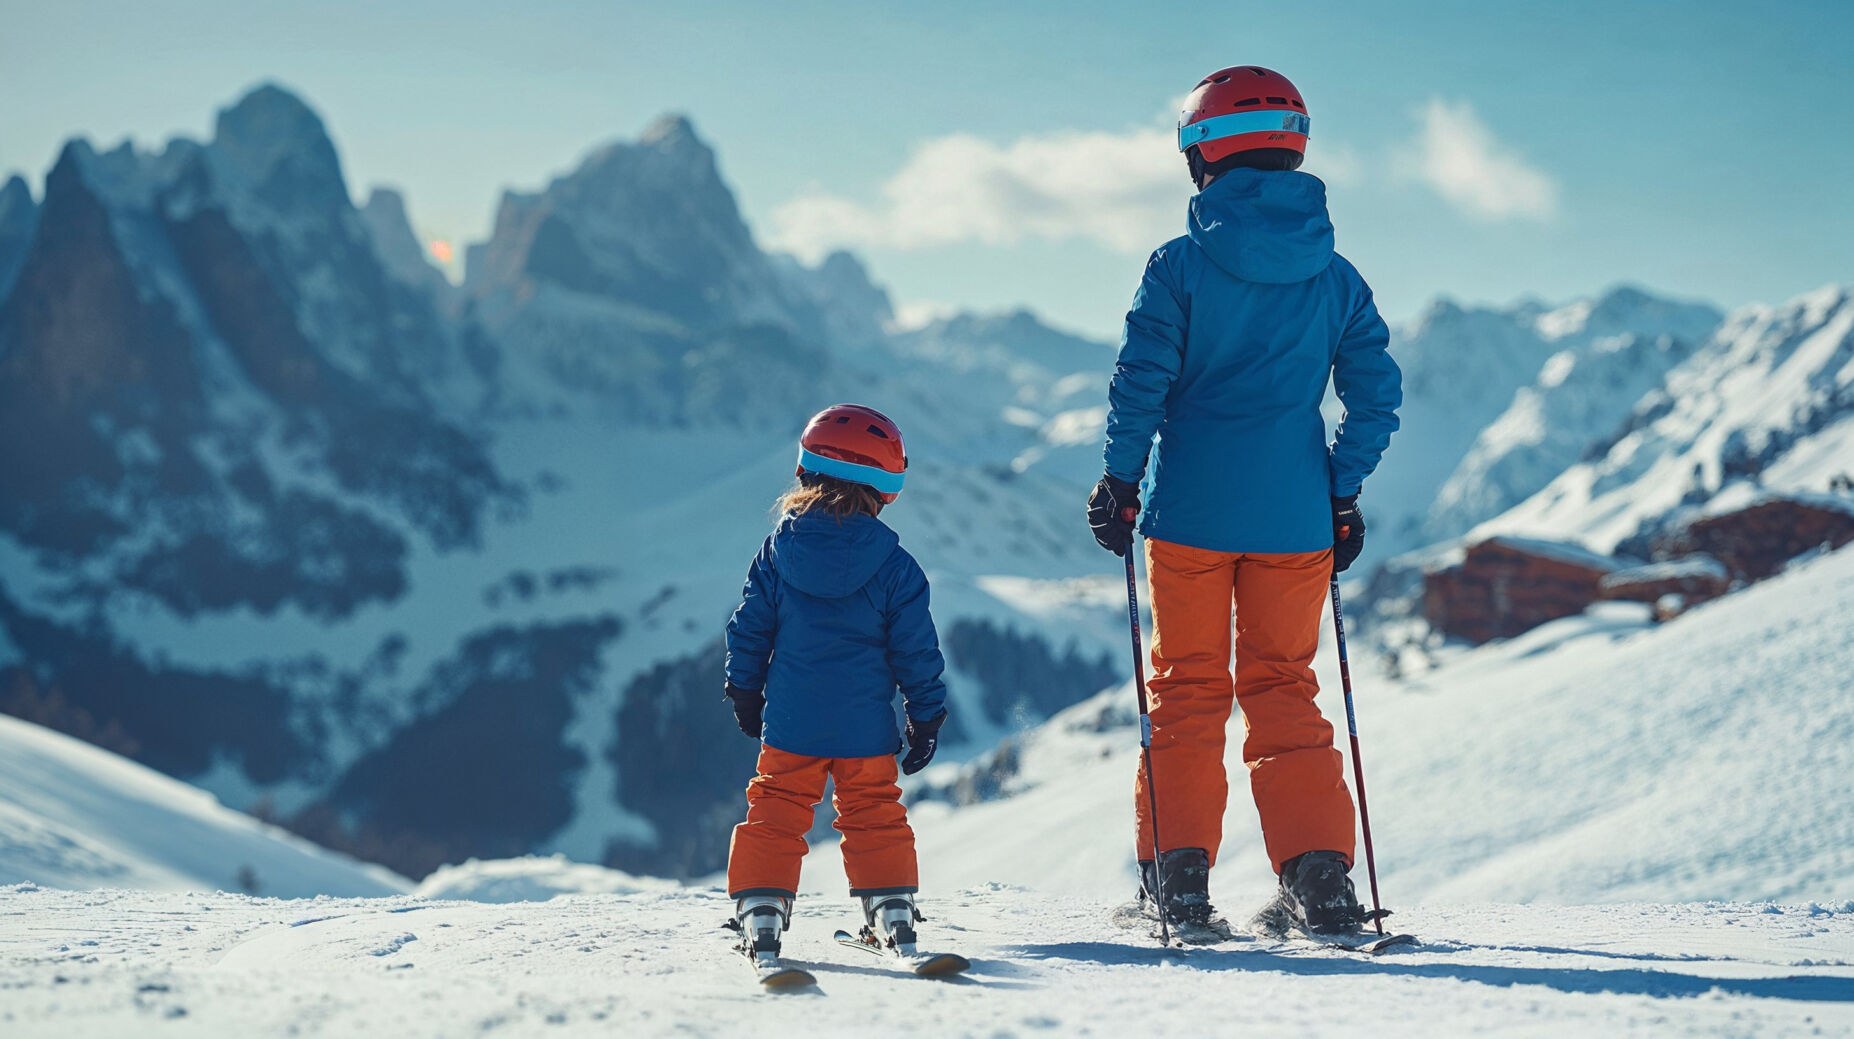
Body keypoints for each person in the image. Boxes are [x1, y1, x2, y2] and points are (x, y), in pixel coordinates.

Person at [1086, 65, 1402, 935]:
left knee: (1186, 691)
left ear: (1200, 155)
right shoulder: (1335, 277)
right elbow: (1375, 398)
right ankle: (1322, 883)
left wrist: (1119, 481)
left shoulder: (1179, 266)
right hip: (1295, 521)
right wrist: (1342, 488)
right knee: (1285, 688)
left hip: (1188, 516)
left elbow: (1138, 383)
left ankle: (1177, 882)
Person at [722, 403, 950, 966]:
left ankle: (761, 913)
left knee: (775, 809)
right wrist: (926, 716)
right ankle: (893, 913)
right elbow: (917, 652)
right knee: (874, 811)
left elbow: (749, 630)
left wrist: (746, 691)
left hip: (792, 723)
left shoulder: (776, 554)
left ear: (806, 470)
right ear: (885, 486)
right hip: (865, 729)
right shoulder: (898, 567)